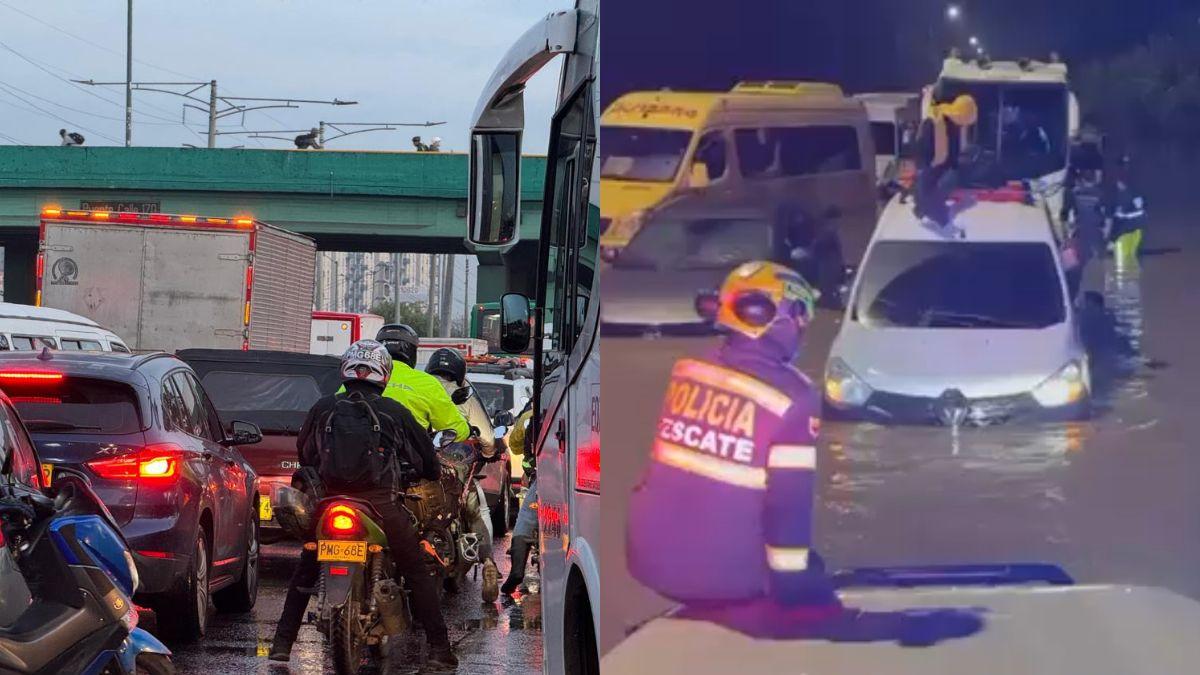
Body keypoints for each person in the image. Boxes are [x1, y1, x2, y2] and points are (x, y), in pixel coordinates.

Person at [626, 261, 838, 638]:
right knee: (814, 581)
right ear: (780, 316)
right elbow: (788, 506)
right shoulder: (795, 397)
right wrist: (797, 586)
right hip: (724, 577)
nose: (804, 328)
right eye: (801, 315)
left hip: (645, 558)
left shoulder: (687, 370)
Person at [269, 340, 457, 669]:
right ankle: (440, 650)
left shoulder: (323, 407)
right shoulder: (394, 411)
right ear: (383, 374)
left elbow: (306, 454)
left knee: (306, 569)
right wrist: (416, 471)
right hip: (380, 502)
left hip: (330, 501)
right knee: (415, 570)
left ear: (346, 370)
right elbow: (429, 465)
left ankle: (281, 646)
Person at [424, 347, 501, 602]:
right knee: (475, 506)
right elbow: (487, 437)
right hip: (455, 464)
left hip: (418, 464)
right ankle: (489, 563)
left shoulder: (420, 386)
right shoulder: (464, 393)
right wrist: (488, 451)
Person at [370, 324, 471, 441]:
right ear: (412, 353)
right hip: (407, 455)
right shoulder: (427, 383)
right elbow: (456, 431)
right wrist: (468, 429)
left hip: (356, 454)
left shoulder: (358, 378)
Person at [914, 93, 978, 228]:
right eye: (966, 120)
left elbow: (952, 155)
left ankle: (927, 210)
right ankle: (929, 211)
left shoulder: (952, 124)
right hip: (932, 171)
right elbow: (928, 157)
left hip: (937, 173)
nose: (965, 125)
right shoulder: (935, 123)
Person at [500, 400, 537, 598]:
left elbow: (514, 447)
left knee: (525, 522)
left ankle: (516, 574)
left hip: (542, 478)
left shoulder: (529, 416)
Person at [1107, 155, 1147, 272]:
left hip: (1131, 221)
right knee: (1136, 251)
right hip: (1141, 221)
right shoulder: (1135, 182)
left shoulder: (1122, 192)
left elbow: (1119, 219)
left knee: (1124, 255)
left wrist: (1111, 240)